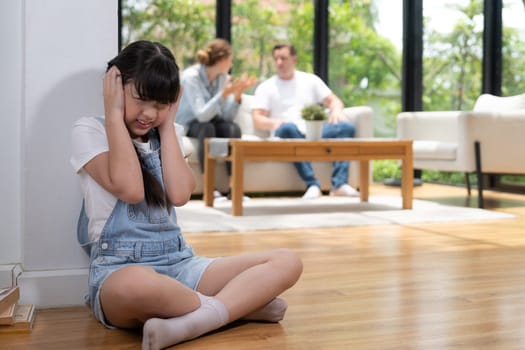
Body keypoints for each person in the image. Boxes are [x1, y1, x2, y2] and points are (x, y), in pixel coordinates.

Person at [70, 40, 303, 350]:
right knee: (137, 285)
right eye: (140, 100)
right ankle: (235, 308)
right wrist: (113, 112)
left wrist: (167, 128)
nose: (149, 113)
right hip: (120, 267)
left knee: (287, 261)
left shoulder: (169, 134)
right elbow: (131, 188)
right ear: (115, 86)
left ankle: (198, 317)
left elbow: (180, 194)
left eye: (161, 104)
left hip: (181, 264)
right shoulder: (90, 130)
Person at [252, 44, 359, 199]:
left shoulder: (310, 80)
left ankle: (339, 184)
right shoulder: (266, 87)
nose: (279, 63)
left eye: (284, 58)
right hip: (286, 132)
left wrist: (336, 110)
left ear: (294, 59)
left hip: (312, 132)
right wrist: (275, 123)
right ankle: (312, 184)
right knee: (289, 128)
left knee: (346, 128)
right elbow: (257, 119)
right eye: (276, 59)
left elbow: (334, 101)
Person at [176, 38, 256, 201]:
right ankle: (209, 188)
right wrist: (224, 94)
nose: (231, 63)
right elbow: (201, 115)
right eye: (230, 59)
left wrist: (237, 95)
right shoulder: (191, 77)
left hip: (210, 120)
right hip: (191, 123)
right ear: (221, 60)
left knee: (232, 128)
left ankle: (234, 188)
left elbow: (225, 116)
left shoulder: (221, 78)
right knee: (207, 128)